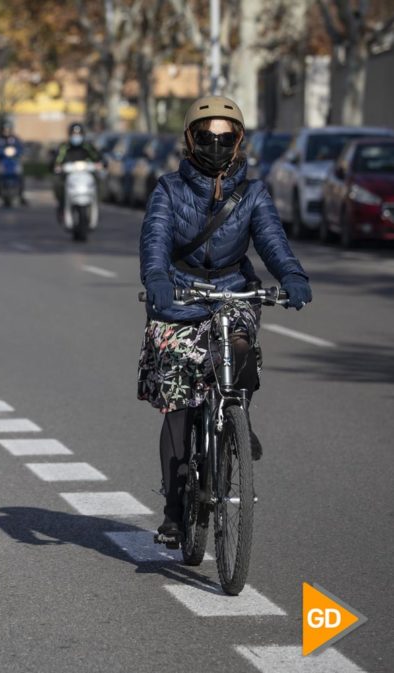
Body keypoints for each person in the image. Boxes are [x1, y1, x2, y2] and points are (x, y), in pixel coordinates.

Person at [136, 96, 312, 545]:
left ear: (239, 143)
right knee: (177, 403)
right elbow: (154, 239)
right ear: (190, 139)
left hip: (233, 289)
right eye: (206, 136)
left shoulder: (252, 193)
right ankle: (175, 511)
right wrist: (157, 279)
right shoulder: (168, 190)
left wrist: (291, 274)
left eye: (225, 137)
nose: (216, 145)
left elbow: (272, 240)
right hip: (178, 294)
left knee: (237, 349)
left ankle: (236, 418)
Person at [51, 122, 102, 210]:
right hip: (68, 174)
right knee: (58, 183)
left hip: (85, 173)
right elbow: (57, 159)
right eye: (74, 134)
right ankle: (62, 205)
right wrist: (57, 166)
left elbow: (97, 157)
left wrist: (100, 164)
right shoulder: (64, 147)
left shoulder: (87, 146)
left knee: (99, 180)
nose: (76, 137)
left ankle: (96, 202)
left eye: (78, 134)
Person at [0, 118, 28, 204]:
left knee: (20, 173)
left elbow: (22, 149)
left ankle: (21, 194)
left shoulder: (15, 139)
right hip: (2, 162)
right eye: (4, 129)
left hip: (13, 162)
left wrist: (18, 151)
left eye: (8, 129)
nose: (6, 131)